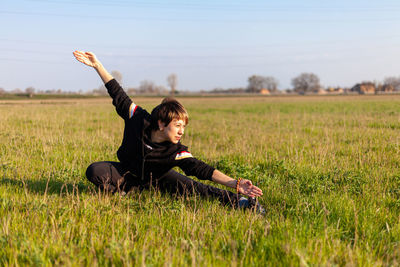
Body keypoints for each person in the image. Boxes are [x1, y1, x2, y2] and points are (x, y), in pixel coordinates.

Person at [73, 51, 265, 214]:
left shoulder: (176, 150)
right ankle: (124, 191)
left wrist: (235, 183)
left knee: (196, 188)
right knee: (95, 170)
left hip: (159, 179)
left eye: (184, 126)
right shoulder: (138, 119)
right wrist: (97, 65)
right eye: (178, 125)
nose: (182, 131)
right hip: (128, 174)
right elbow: (118, 93)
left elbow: (202, 169)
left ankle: (241, 203)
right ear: (162, 124)